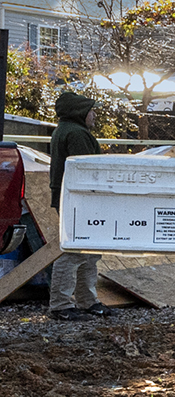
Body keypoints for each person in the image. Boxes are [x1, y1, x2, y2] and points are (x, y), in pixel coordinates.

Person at [47, 89, 101, 320]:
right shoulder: (78, 134)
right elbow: (87, 170)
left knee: (88, 250)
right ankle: (61, 305)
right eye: (91, 111)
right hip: (80, 199)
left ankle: (88, 301)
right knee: (76, 250)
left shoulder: (64, 130)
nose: (94, 116)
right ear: (80, 112)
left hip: (70, 197)